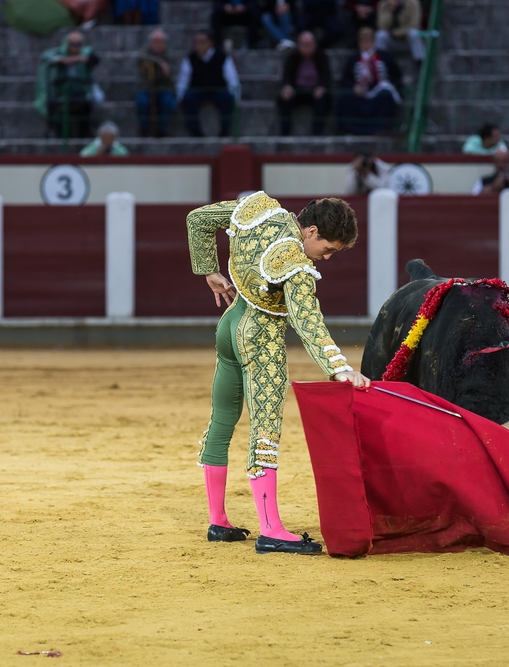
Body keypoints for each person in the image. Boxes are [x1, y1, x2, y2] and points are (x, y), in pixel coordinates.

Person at [186, 192, 370, 554]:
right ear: (311, 231)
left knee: (222, 421)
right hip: (260, 337)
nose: (327, 258)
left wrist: (210, 270)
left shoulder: (262, 211)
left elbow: (198, 220)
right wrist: (340, 369)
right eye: (328, 248)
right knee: (265, 432)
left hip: (229, 326)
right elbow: (308, 321)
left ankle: (218, 522)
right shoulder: (295, 265)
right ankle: (270, 529)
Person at [336, 27, 402, 135]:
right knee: (346, 98)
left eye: (369, 40)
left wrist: (389, 84)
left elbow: (396, 76)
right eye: (363, 41)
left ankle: (381, 128)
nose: (366, 44)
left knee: (385, 96)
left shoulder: (384, 56)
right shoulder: (353, 58)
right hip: (359, 91)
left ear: (374, 42)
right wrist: (354, 87)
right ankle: (351, 129)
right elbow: (345, 79)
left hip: (379, 90)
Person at [35, 31, 101, 139]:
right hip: (62, 90)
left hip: (82, 90)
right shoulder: (60, 52)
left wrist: (79, 59)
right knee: (53, 104)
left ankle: (87, 132)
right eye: (73, 44)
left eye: (78, 44)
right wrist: (60, 60)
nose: (75, 47)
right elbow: (46, 58)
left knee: (96, 99)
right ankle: (53, 131)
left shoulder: (86, 52)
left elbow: (95, 59)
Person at [177, 30, 241, 137]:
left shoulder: (222, 57)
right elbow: (183, 81)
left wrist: (237, 98)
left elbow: (232, 79)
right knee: (188, 98)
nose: (198, 45)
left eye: (202, 41)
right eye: (196, 42)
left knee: (227, 98)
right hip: (198, 91)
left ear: (211, 43)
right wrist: (180, 97)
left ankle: (225, 131)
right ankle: (195, 131)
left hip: (217, 90)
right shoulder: (190, 59)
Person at [277, 31, 331, 136]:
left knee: (322, 99)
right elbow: (286, 76)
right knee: (285, 98)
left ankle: (317, 132)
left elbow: (326, 76)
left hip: (315, 91)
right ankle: (285, 133)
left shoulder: (322, 56)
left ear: (315, 44)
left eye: (309, 45)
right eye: (303, 45)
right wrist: (287, 87)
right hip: (297, 91)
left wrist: (322, 87)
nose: (306, 48)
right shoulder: (292, 57)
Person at [136, 29, 176, 137]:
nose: (158, 45)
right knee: (143, 102)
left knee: (166, 101)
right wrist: (159, 62)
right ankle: (143, 129)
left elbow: (171, 71)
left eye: (161, 42)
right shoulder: (145, 52)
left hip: (163, 87)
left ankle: (163, 130)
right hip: (146, 87)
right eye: (155, 41)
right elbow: (140, 58)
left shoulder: (169, 55)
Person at [375, 0, 424, 68]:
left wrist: (395, 33)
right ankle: (381, 65)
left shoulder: (413, 3)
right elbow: (382, 26)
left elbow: (415, 25)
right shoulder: (383, 4)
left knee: (414, 33)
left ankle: (421, 66)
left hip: (407, 41)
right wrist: (391, 10)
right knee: (380, 35)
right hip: (392, 41)